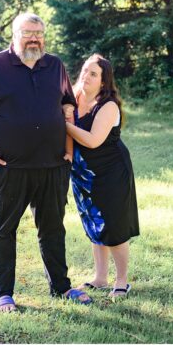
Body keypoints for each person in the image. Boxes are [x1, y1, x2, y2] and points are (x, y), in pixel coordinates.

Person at [0, 12, 93, 312]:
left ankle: (61, 287)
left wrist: (69, 152)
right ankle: (4, 294)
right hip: (10, 168)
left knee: (53, 229)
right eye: (27, 33)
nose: (34, 38)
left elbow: (67, 107)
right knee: (4, 230)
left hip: (53, 166)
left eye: (39, 33)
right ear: (14, 35)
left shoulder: (55, 65)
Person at [64, 54, 140, 299]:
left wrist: (62, 124)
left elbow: (94, 140)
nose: (86, 76)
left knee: (114, 227)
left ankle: (122, 281)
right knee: (94, 225)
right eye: (85, 70)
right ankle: (100, 278)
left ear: (104, 82)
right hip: (84, 174)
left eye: (93, 74)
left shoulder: (108, 106)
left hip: (111, 172)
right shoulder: (73, 98)